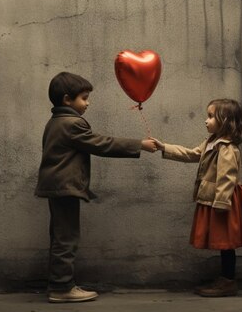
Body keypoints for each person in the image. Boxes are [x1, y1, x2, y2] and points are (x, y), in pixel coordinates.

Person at [35, 72, 157, 303]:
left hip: (57, 187)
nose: (88, 102)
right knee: (66, 238)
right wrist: (138, 145)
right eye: (84, 98)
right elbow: (102, 144)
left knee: (60, 236)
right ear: (67, 100)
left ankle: (59, 284)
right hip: (65, 187)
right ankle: (62, 289)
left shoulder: (55, 122)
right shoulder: (72, 123)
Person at [151, 98, 242, 297]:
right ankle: (226, 278)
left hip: (223, 200)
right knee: (224, 243)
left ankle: (228, 281)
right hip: (216, 198)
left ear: (225, 120)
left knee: (227, 243)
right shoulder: (212, 142)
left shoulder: (226, 148)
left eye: (210, 117)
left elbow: (227, 177)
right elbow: (192, 154)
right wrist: (164, 147)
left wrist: (221, 202)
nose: (206, 121)